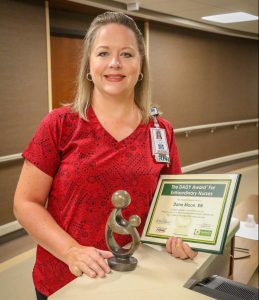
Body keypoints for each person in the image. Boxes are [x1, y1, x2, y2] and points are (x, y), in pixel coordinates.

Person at [14, 11, 197, 300]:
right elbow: (26, 203)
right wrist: (70, 250)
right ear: (89, 64)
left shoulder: (161, 130)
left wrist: (181, 234)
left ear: (141, 67)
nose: (115, 63)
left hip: (139, 276)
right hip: (67, 279)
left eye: (126, 54)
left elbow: (173, 201)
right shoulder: (60, 124)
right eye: (103, 53)